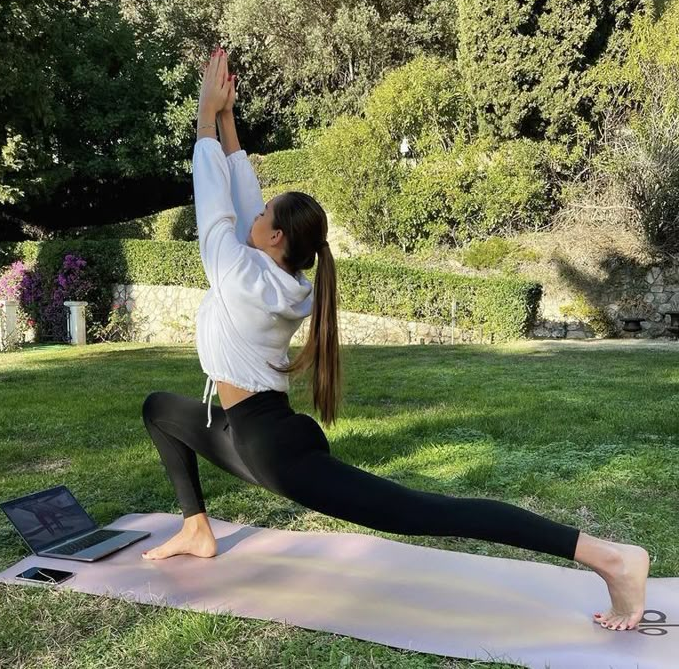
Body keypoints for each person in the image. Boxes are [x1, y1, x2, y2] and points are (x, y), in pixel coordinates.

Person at [141, 46, 649, 632]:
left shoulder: (238, 269)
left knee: (423, 512)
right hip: (251, 427)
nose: (249, 213)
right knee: (159, 409)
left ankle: (611, 558)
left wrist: (206, 117)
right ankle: (196, 528)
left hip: (269, 449)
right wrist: (229, 122)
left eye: (262, 216)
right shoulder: (284, 276)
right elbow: (245, 196)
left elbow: (214, 203)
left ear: (274, 236)